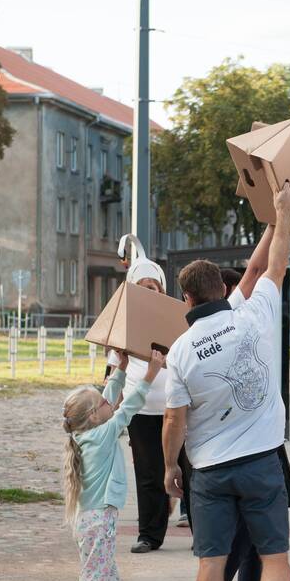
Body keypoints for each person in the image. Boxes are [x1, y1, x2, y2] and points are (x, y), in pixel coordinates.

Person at [163, 184, 290, 581]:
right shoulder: (252, 316)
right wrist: (280, 220)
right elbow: (271, 268)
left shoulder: (181, 350)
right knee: (274, 555)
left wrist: (172, 466)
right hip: (263, 461)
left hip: (211, 469)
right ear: (224, 289)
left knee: (212, 563)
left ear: (187, 298)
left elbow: (174, 419)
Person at [56, 348, 165, 581]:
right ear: (93, 415)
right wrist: (149, 375)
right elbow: (127, 408)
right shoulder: (102, 434)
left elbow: (111, 400)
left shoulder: (87, 432)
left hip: (91, 522)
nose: (109, 401)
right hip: (98, 522)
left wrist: (121, 369)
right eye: (103, 402)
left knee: (109, 579)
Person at [111, 235, 173, 555]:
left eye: (155, 285)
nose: (150, 290)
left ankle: (204, 531)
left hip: (176, 408)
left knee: (187, 469)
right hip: (141, 409)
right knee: (148, 474)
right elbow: (114, 369)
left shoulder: (176, 318)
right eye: (143, 285)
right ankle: (150, 533)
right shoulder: (123, 323)